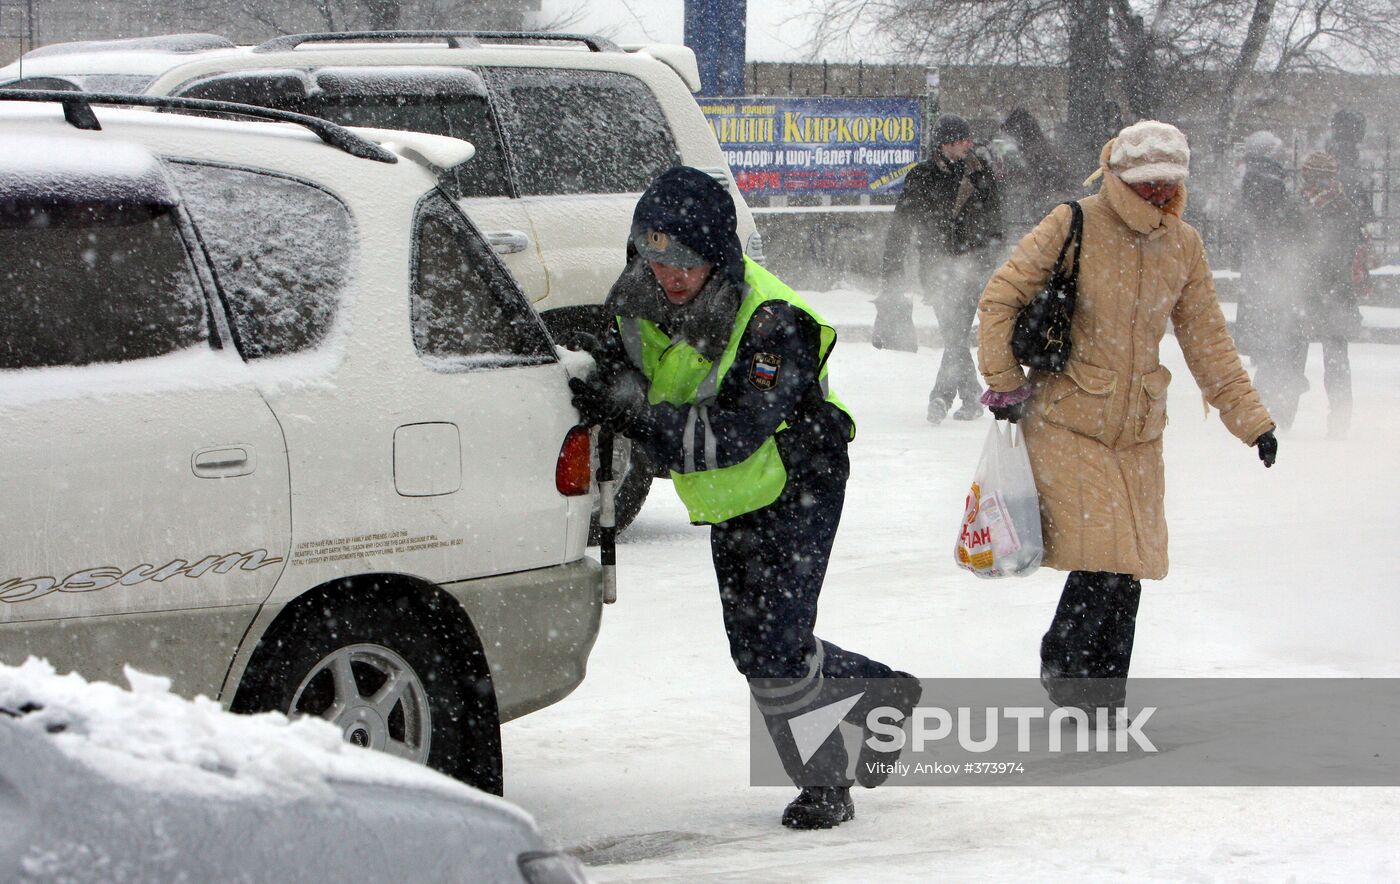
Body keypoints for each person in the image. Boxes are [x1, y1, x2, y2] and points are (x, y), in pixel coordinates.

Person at [568, 166, 920, 830]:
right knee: (752, 646)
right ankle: (878, 690)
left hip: (799, 479)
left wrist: (636, 420)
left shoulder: (772, 321)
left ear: (718, 258)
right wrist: (602, 387)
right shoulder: (634, 299)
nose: (670, 276)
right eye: (656, 256)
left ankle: (825, 782)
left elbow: (728, 433)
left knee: (778, 647)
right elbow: (615, 367)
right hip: (733, 493)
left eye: (687, 263)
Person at [975, 120, 1278, 712]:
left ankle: (1103, 693)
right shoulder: (1074, 222)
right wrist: (1005, 383)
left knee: (1131, 563)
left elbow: (1209, 341)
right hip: (1067, 416)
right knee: (1106, 555)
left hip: (1139, 425)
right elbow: (999, 298)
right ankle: (1067, 664)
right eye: (1149, 185)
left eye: (1170, 185)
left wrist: (1252, 420)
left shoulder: (1184, 244)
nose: (1161, 196)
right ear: (1120, 178)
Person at [879, 113, 1004, 423]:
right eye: (963, 139)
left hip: (971, 270)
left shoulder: (980, 174)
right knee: (954, 335)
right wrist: (892, 272)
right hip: (934, 270)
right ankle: (970, 397)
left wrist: (985, 259)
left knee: (956, 334)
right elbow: (901, 228)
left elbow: (995, 225)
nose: (969, 144)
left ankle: (941, 397)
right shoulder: (922, 176)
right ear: (947, 143)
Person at [1296, 151, 1365, 438]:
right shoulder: (1308, 204)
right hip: (1314, 291)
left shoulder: (1335, 207)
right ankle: (1283, 412)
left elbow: (1338, 254)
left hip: (1328, 292)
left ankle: (1339, 419)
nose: (1309, 180)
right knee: (1315, 354)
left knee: (1333, 359)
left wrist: (1316, 281)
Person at [1233, 130, 1300, 365]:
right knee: (1266, 295)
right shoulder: (1268, 179)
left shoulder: (1252, 175)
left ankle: (1255, 343)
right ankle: (1261, 345)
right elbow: (1273, 214)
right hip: (1268, 245)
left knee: (1255, 296)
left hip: (1257, 245)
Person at [1001, 107, 1080, 222]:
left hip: (1052, 201)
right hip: (1051, 200)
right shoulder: (1037, 147)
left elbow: (1043, 179)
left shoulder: (1036, 150)